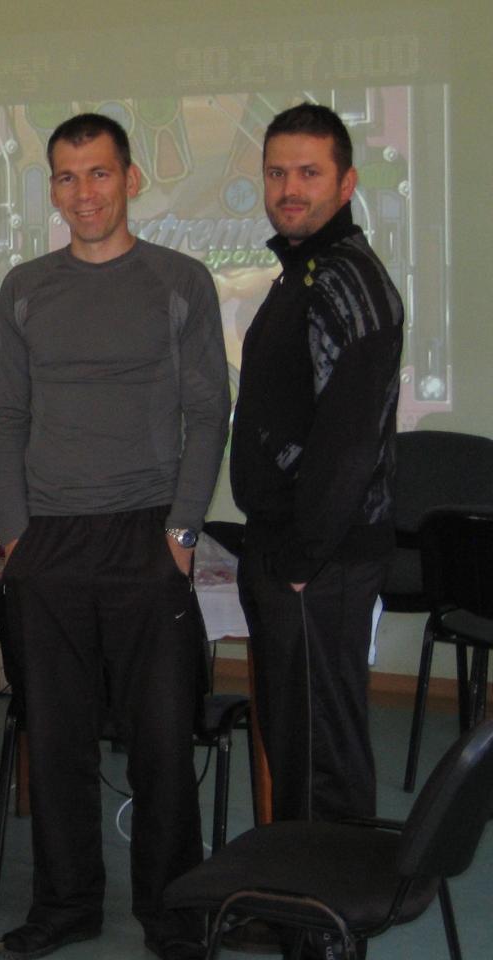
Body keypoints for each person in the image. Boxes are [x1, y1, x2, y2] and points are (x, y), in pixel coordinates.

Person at [0, 113, 230, 960]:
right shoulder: (24, 287)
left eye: (98, 173)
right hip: (48, 543)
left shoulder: (180, 280)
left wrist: (182, 530)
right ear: (51, 187)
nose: (82, 192)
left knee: (161, 743)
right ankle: (66, 905)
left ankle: (172, 914)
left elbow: (209, 411)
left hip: (145, 535)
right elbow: (4, 415)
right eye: (66, 176)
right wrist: (15, 534)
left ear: (130, 179)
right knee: (56, 741)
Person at [230, 102, 403, 826]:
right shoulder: (304, 272)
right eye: (277, 173)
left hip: (319, 559)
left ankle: (330, 902)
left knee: (321, 753)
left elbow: (350, 441)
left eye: (309, 173)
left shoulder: (346, 280)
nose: (289, 189)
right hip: (292, 549)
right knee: (298, 741)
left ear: (347, 182)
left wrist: (303, 558)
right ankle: (300, 885)